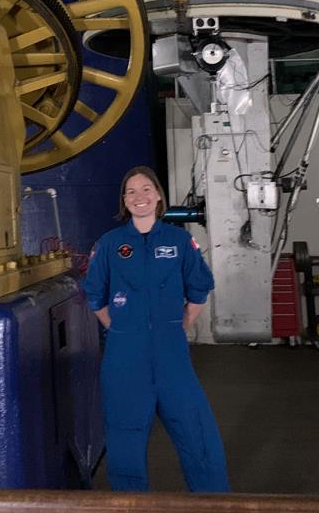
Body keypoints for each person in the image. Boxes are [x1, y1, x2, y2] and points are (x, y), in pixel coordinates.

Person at [83, 165, 229, 493]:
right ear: (124, 200)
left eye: (146, 189)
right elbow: (95, 294)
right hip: (124, 356)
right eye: (131, 191)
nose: (140, 197)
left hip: (171, 353)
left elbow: (199, 288)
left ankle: (215, 506)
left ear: (159, 195)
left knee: (197, 430)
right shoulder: (110, 244)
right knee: (125, 437)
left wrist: (177, 326)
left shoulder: (180, 240)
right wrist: (120, 329)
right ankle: (130, 509)